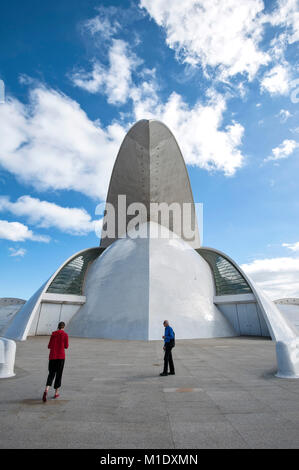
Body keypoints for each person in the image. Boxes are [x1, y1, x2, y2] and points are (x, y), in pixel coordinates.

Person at [42, 321, 69, 402]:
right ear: (64, 327)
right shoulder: (65, 335)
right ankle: (56, 392)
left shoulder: (53, 334)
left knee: (51, 374)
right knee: (59, 374)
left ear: (58, 326)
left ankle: (46, 390)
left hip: (52, 357)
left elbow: (49, 346)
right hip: (60, 357)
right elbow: (66, 346)